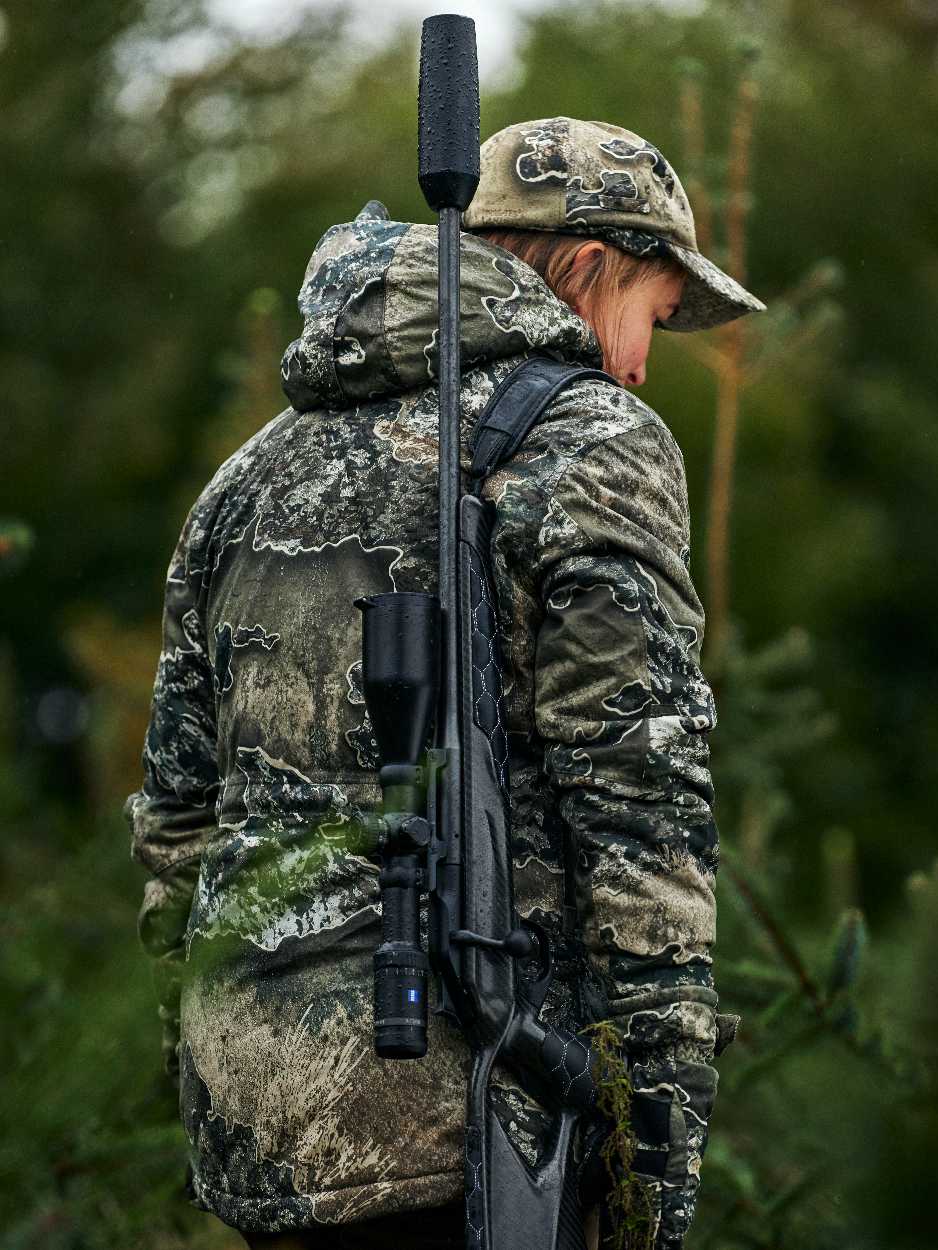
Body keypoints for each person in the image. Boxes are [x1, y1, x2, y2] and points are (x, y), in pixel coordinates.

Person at [125, 116, 765, 1250]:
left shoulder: (250, 472)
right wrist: (657, 1156)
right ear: (584, 266)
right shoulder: (591, 439)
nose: (637, 362)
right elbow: (639, 812)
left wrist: (230, 1054)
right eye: (651, 317)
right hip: (476, 1131)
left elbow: (178, 819)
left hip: (261, 1131)